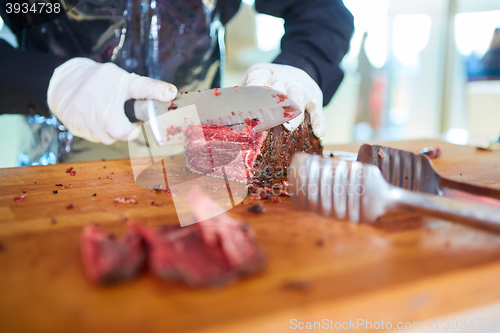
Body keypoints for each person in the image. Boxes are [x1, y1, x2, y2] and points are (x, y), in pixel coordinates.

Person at [0, 0, 354, 162]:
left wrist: (301, 64)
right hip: (61, 168)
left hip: (203, 165)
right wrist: (54, 81)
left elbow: (320, 10)